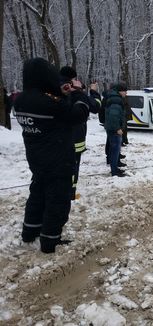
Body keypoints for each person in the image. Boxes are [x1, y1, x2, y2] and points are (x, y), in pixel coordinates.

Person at [14, 58, 89, 253]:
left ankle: (29, 231)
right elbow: (77, 115)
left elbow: (55, 114)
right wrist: (78, 93)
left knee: (37, 194)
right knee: (57, 201)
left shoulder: (21, 100)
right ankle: (50, 240)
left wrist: (61, 94)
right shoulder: (49, 103)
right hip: (57, 159)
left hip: (36, 158)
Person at [59, 66, 101, 200]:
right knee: (73, 167)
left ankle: (62, 191)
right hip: (75, 138)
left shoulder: (55, 90)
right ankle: (70, 192)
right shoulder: (75, 94)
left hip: (59, 139)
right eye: (74, 80)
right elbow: (95, 106)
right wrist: (93, 92)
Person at [105, 83, 128, 176]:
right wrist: (118, 128)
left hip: (111, 128)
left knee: (114, 149)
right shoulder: (116, 100)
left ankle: (115, 168)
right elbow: (113, 115)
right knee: (115, 150)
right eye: (125, 91)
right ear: (120, 91)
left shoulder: (114, 98)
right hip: (114, 130)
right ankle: (114, 171)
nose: (126, 93)